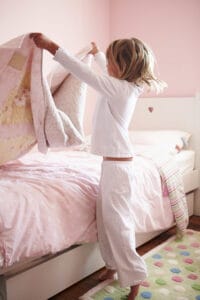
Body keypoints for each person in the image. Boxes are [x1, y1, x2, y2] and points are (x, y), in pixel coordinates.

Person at [30, 33, 166, 300]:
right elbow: (104, 72)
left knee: (118, 224)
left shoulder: (120, 89)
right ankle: (112, 266)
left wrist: (52, 47)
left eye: (113, 60)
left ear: (123, 65)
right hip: (111, 165)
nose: (109, 66)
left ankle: (135, 275)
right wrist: (98, 54)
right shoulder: (121, 85)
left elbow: (85, 74)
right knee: (105, 221)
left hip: (119, 167)